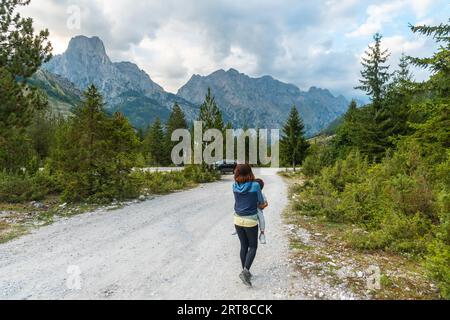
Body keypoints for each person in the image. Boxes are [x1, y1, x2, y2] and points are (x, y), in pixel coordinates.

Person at [233, 164, 266, 287]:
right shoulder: (256, 185)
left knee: (243, 246)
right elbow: (261, 202)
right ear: (249, 172)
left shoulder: (234, 185)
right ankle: (245, 272)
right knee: (253, 246)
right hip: (250, 221)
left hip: (237, 219)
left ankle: (245, 271)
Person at [254, 179, 268, 244]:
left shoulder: (262, 194)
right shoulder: (250, 192)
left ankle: (262, 233)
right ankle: (237, 229)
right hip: (248, 209)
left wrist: (261, 206)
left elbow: (266, 203)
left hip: (258, 209)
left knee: (262, 219)